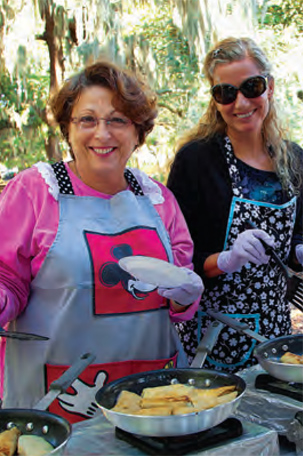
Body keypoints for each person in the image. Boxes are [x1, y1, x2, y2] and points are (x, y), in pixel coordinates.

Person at [0, 61, 203, 423]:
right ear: (68, 128)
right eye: (87, 120)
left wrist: (186, 294)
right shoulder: (33, 191)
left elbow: (178, 301)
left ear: (138, 132)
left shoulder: (159, 200)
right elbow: (7, 280)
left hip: (151, 391)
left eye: (117, 120)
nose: (102, 133)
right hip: (58, 393)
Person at [167, 37, 303, 373]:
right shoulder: (196, 161)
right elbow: (176, 259)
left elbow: (295, 239)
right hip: (210, 334)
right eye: (226, 92)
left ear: (269, 87)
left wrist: (300, 252)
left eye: (251, 87)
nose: (240, 102)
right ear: (215, 100)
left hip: (275, 331)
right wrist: (226, 260)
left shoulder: (295, 159)